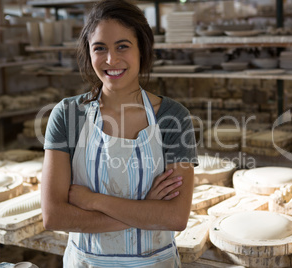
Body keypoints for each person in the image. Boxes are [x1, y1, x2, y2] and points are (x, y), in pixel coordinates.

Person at [41, 0, 198, 267]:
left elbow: (175, 218)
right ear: (89, 53)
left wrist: (92, 200)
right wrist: (146, 211)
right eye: (100, 48)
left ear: (142, 50)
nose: (111, 60)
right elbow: (54, 216)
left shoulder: (173, 117)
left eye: (122, 46)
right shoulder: (68, 115)